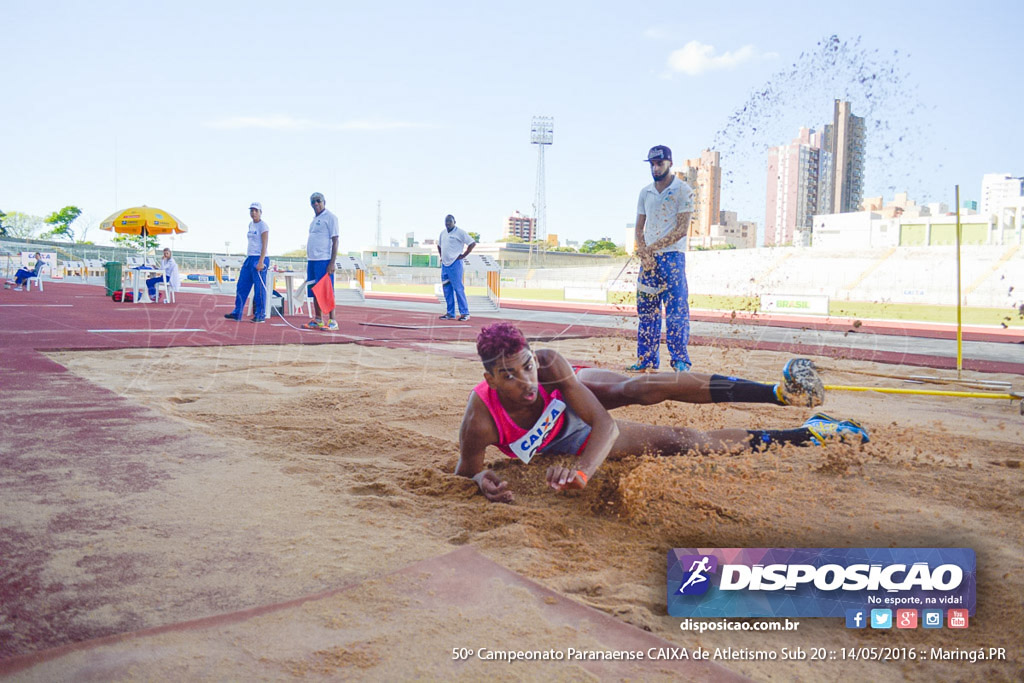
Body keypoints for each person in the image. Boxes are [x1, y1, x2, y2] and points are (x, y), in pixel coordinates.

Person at [456, 322, 866, 504]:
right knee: (685, 442)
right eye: (509, 376)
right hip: (562, 437)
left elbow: (604, 423)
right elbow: (465, 470)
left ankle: (781, 393)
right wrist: (479, 479)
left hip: (573, 403)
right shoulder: (480, 421)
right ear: (490, 380)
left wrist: (583, 472)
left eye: (526, 365)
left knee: (637, 387)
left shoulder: (547, 366)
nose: (526, 382)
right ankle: (809, 432)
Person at [631, 145, 694, 373]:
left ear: (669, 163)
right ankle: (646, 359)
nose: (655, 168)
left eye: (660, 163)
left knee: (676, 310)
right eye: (652, 164)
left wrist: (652, 248)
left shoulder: (683, 190)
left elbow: (681, 229)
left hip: (672, 259)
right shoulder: (645, 192)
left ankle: (680, 359)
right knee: (647, 311)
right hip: (648, 261)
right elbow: (639, 227)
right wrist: (643, 251)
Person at [225, 202, 270, 323]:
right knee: (242, 286)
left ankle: (260, 314)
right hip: (249, 258)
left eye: (256, 210)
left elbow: (265, 245)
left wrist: (261, 261)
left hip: (259, 258)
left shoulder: (263, 226)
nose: (253, 213)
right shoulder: (250, 225)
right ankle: (237, 312)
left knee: (259, 288)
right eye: (252, 210)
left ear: (260, 212)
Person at [304, 192, 339, 331]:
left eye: (318, 201)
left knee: (326, 290)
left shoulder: (330, 218)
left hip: (323, 260)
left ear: (324, 201)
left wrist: (332, 262)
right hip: (312, 260)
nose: (316, 204)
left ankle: (333, 320)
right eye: (313, 201)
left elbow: (335, 240)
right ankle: (318, 319)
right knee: (314, 290)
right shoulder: (314, 220)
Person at [437, 214, 476, 321]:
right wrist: (442, 256)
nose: (448, 224)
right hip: (445, 265)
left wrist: (463, 255)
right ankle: (450, 313)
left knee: (458, 288)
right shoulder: (443, 233)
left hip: (455, 263)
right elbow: (439, 245)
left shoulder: (460, 232)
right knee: (447, 289)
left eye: (450, 221)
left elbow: (472, 243)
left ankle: (465, 313)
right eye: (446, 222)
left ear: (454, 222)